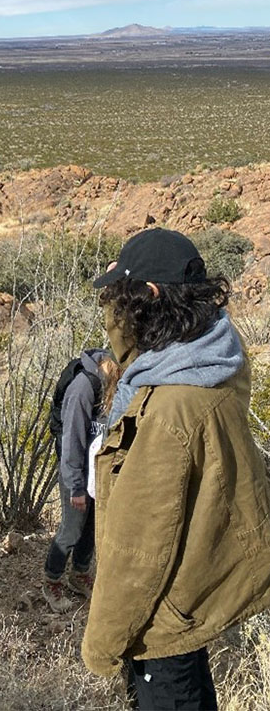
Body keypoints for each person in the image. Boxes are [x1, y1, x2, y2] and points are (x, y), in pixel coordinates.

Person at [81, 228, 270, 710]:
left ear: (150, 298)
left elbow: (140, 549)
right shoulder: (212, 355)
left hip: (160, 620)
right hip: (192, 596)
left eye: (121, 298)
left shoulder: (168, 409)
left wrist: (102, 644)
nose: (113, 312)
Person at [42, 349, 119, 612]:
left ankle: (79, 574)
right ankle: (52, 580)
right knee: (72, 528)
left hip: (98, 472)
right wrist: (75, 484)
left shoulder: (112, 385)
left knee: (92, 527)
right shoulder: (84, 388)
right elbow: (71, 441)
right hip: (76, 471)